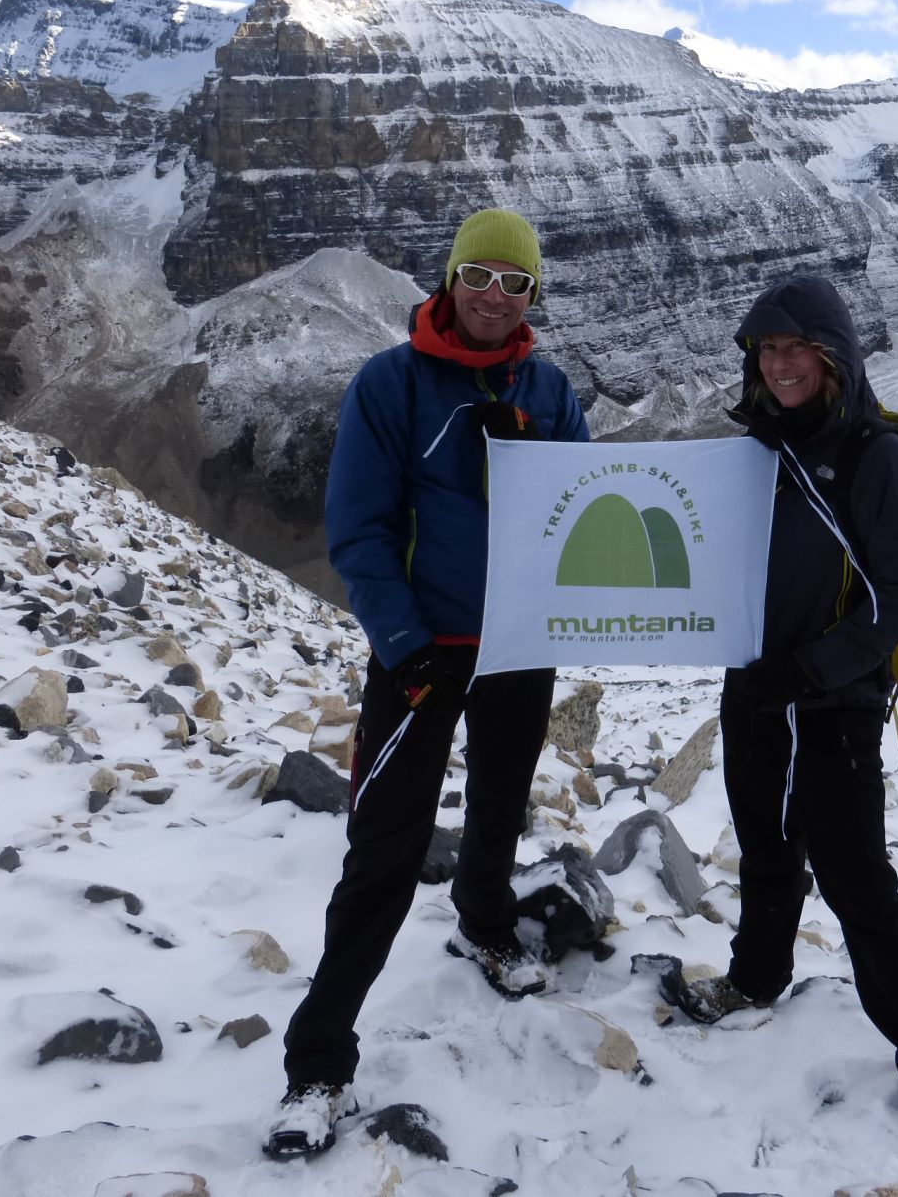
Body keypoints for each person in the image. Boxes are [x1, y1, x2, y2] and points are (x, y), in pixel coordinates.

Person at [264, 208, 590, 1159]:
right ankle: (318, 1063)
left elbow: (584, 511)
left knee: (499, 804)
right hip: (421, 653)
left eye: (515, 283)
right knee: (384, 847)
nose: (495, 297)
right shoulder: (392, 383)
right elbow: (358, 527)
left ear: (534, 296)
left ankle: (485, 925)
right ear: (450, 280)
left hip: (518, 645)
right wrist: (404, 641)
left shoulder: (550, 388)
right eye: (479, 277)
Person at [678, 272, 898, 1162]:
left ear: (833, 354)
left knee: (857, 886)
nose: (778, 366)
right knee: (766, 847)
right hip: (757, 689)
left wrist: (809, 671)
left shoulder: (876, 457)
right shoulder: (759, 450)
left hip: (834, 699)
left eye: (794, 348)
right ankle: (756, 979)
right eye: (765, 350)